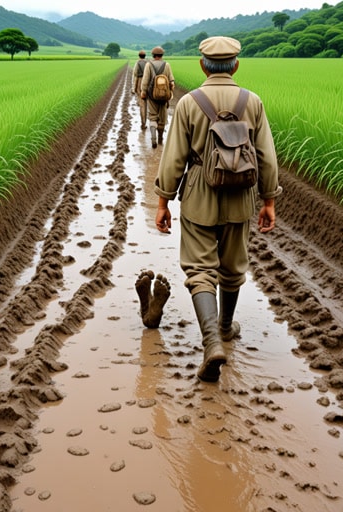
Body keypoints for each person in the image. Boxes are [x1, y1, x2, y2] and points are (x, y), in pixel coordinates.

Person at [153, 36, 282, 383]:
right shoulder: (251, 102)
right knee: (233, 266)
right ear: (236, 66)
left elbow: (174, 157)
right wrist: (268, 200)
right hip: (241, 196)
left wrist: (163, 200)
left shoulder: (190, 103)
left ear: (202, 66)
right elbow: (266, 156)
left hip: (199, 195)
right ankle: (225, 328)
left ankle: (212, 342)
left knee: (200, 270)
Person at [140, 46, 175, 148]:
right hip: (164, 97)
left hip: (152, 96)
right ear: (162, 55)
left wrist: (143, 92)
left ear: (153, 55)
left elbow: (145, 81)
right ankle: (160, 138)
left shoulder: (148, 65)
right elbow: (172, 82)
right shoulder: (167, 65)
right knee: (162, 118)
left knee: (152, 116)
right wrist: (169, 93)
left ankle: (153, 138)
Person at [132, 50, 148, 130]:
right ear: (145, 56)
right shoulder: (148, 63)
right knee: (147, 103)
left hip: (140, 83)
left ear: (139, 56)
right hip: (148, 83)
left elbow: (135, 75)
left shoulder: (137, 63)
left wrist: (133, 88)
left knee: (142, 104)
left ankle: (143, 123)